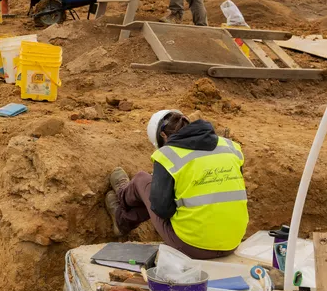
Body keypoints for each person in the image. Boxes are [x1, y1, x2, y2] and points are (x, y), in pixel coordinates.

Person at [106, 109, 248, 259]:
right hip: (231, 243)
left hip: (192, 247)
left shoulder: (168, 154)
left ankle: (121, 205)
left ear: (163, 136)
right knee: (164, 193)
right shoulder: (230, 147)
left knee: (142, 180)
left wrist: (162, 190)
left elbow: (162, 210)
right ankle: (122, 219)